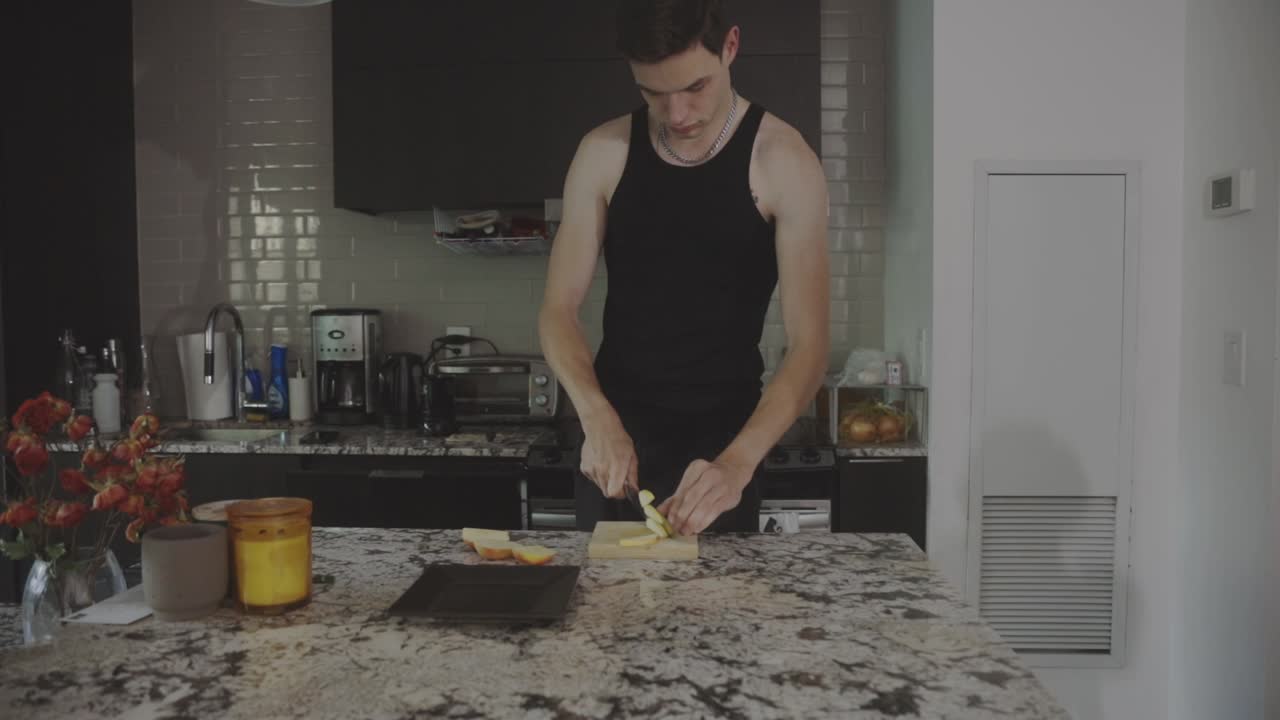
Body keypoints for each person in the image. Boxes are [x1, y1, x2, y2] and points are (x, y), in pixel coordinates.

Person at [537, 0, 830, 536]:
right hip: (612, 439)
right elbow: (558, 310)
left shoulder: (785, 161)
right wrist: (595, 415)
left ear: (731, 48)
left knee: (711, 617)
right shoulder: (604, 152)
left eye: (695, 87)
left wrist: (738, 464)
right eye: (653, 92)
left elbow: (810, 345)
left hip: (723, 451)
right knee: (602, 612)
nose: (676, 114)